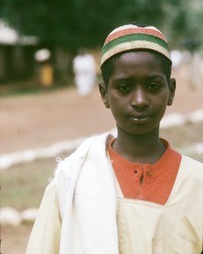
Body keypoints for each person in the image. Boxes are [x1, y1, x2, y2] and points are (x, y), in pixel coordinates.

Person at [25, 24, 203, 254]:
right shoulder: (71, 182)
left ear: (171, 91)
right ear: (104, 94)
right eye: (124, 87)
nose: (139, 100)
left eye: (152, 86)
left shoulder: (197, 183)